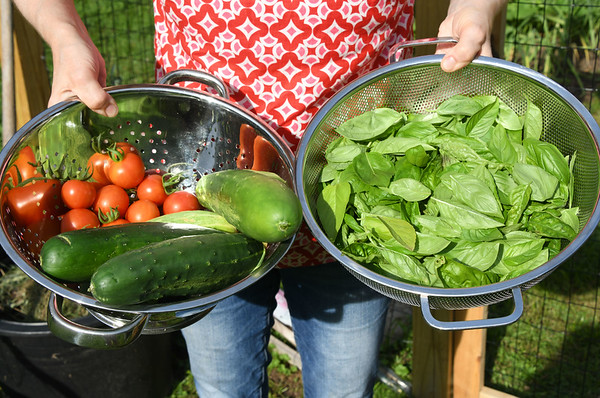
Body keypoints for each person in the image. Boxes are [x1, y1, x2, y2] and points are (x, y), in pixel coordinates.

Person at [15, 0, 507, 396]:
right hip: (202, 174)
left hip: (357, 193)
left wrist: (476, 7)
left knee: (344, 386)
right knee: (222, 385)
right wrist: (65, 34)